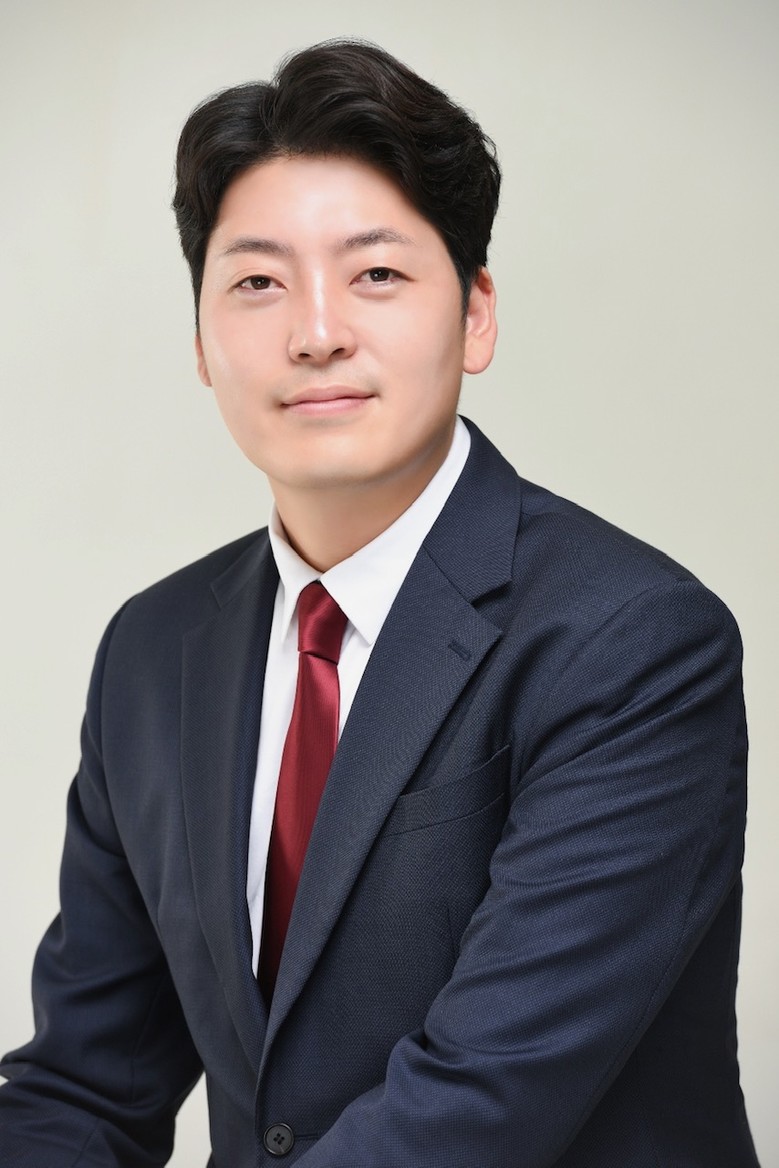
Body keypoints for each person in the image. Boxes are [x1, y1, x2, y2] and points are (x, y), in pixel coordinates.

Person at [0, 38, 758, 1168]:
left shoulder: (632, 640)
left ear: (476, 315)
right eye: (256, 282)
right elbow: (80, 1085)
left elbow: (476, 1107)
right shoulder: (153, 651)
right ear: (201, 342)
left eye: (376, 275)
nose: (315, 332)